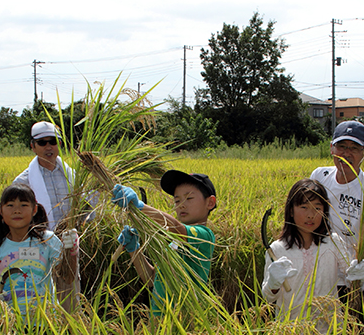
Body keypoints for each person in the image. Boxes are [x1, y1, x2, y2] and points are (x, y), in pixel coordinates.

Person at [261, 179, 364, 335]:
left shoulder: (333, 242)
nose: (311, 215)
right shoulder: (277, 249)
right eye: (304, 207)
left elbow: (350, 279)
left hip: (329, 334)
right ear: (291, 211)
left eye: (317, 208)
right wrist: (273, 282)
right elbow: (267, 297)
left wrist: (359, 273)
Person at [111, 170, 217, 317]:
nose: (181, 205)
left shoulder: (204, 236)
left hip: (185, 324)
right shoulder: (173, 243)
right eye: (177, 201)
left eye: (189, 198)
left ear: (210, 203)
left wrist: (140, 207)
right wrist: (134, 249)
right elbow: (152, 279)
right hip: (160, 325)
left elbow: (176, 227)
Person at [310, 120, 364, 330]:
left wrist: (362, 264)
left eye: (354, 148)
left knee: (361, 333)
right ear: (332, 148)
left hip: (353, 277)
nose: (346, 153)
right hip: (320, 273)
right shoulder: (319, 176)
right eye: (342, 147)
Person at [0, 184, 79, 322]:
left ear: (34, 209)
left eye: (23, 205)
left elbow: (67, 277)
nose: (17, 211)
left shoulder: (48, 241)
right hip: (9, 323)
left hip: (45, 322)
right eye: (10, 205)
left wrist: (72, 251)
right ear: (0, 210)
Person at [14, 120, 86, 302]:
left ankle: (71, 328)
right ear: (33, 146)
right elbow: (14, 220)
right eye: (42, 142)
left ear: (59, 144)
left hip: (69, 246)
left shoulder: (73, 177)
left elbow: (86, 208)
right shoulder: (23, 183)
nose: (48, 147)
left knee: (70, 294)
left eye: (52, 141)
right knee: (39, 297)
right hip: (36, 248)